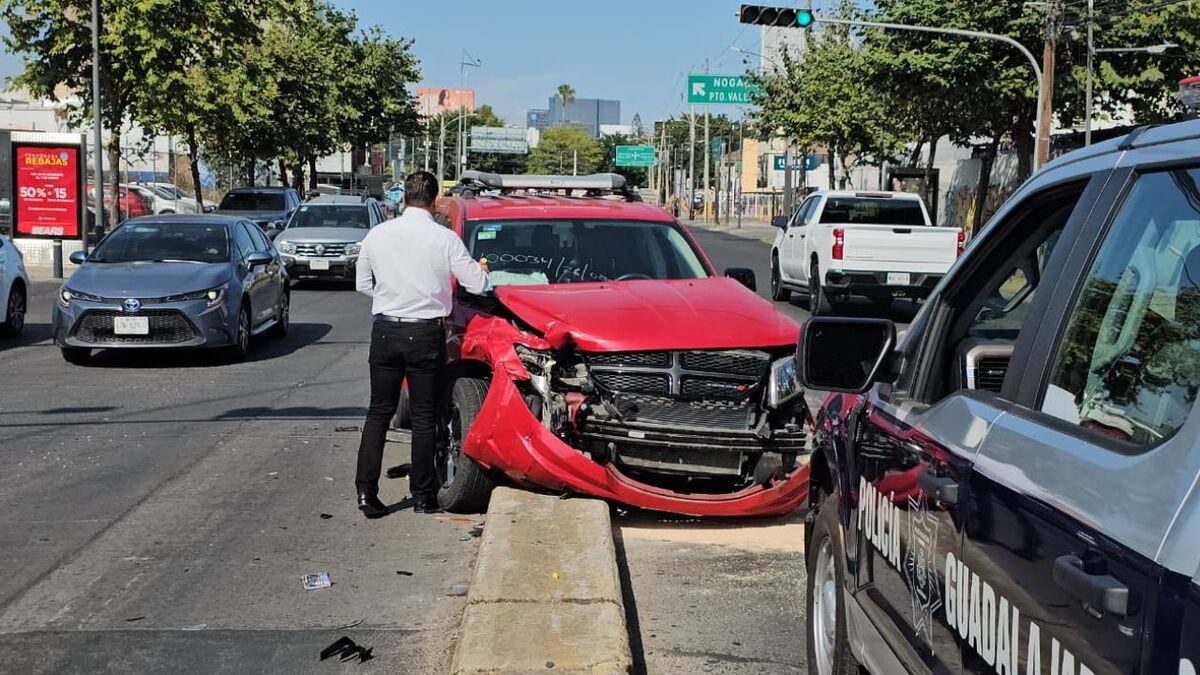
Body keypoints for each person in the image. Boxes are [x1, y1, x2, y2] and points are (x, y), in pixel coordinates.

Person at [353, 171, 489, 518]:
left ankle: (367, 493)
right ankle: (424, 496)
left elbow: (362, 284)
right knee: (426, 416)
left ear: (403, 199)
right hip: (426, 333)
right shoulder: (444, 239)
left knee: (379, 413)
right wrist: (483, 271)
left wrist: (391, 296)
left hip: (385, 330)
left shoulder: (378, 235)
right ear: (432, 201)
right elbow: (477, 285)